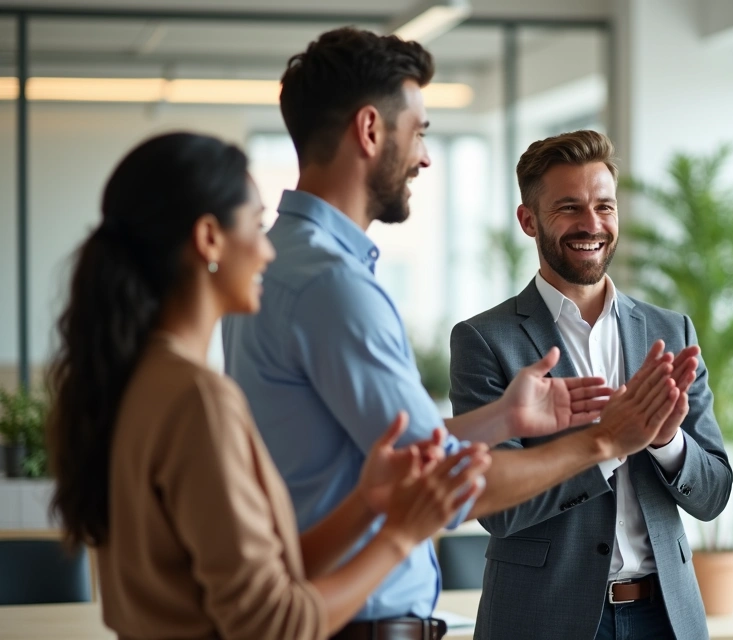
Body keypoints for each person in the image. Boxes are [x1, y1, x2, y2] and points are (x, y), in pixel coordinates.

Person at [222, 29, 682, 640]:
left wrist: (498, 421)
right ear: (368, 130)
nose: (425, 157)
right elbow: (444, 486)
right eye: (419, 132)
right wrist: (602, 441)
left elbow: (392, 453)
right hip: (353, 617)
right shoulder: (334, 287)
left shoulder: (272, 262)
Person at [44, 132, 491, 640]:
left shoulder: (137, 380)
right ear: (209, 238)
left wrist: (365, 502)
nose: (267, 251)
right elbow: (273, 625)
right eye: (257, 226)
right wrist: (401, 533)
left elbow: (258, 579)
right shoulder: (197, 399)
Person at [449, 130, 733, 640]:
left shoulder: (672, 331)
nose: (592, 224)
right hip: (544, 619)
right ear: (528, 220)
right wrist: (606, 446)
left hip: (664, 618)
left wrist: (666, 442)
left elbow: (713, 495)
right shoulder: (483, 340)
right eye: (569, 208)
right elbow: (496, 508)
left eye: (605, 206)